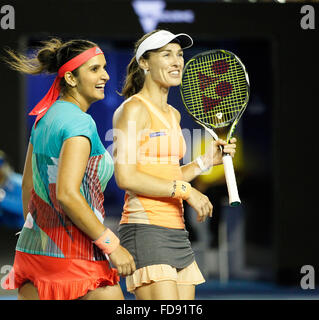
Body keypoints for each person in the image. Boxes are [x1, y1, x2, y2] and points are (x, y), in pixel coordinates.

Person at [1, 38, 135, 300]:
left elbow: (29, 186)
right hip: (76, 255)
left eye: (104, 67)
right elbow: (67, 194)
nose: (106, 76)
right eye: (94, 69)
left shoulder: (44, 117)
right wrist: (112, 244)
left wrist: (42, 234)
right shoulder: (80, 123)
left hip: (34, 250)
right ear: (71, 79)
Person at [112, 29, 237, 300]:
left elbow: (166, 174)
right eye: (166, 54)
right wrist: (186, 191)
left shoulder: (173, 114)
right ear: (144, 62)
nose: (177, 61)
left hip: (176, 230)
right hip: (145, 228)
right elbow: (126, 177)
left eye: (179, 54)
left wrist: (205, 162)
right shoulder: (133, 109)